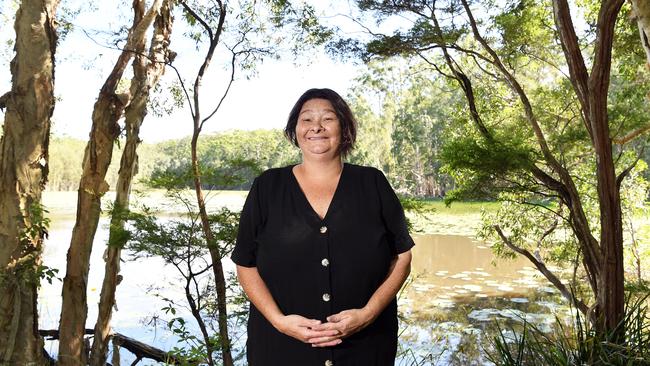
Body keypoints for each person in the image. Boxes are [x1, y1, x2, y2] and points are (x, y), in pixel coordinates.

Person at [231, 88, 414, 366]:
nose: (316, 127)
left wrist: (368, 314)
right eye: (306, 120)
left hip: (365, 348)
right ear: (295, 129)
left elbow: (402, 257)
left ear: (344, 127)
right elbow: (245, 263)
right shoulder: (268, 186)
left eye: (327, 119)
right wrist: (279, 322)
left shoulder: (373, 183)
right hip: (280, 348)